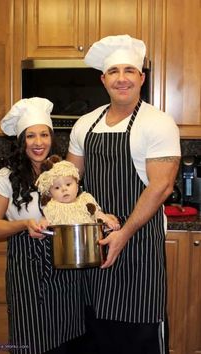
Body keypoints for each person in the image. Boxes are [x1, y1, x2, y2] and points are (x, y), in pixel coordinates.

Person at [67, 34, 181, 354]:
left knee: (139, 335)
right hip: (95, 244)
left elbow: (160, 187)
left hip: (139, 247)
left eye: (129, 70)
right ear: (103, 79)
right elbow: (69, 180)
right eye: (114, 71)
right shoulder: (85, 125)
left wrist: (124, 233)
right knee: (96, 331)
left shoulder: (157, 123)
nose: (121, 78)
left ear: (141, 78)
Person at [0, 97, 85, 354]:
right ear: (21, 141)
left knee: (68, 339)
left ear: (51, 137)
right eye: (30, 136)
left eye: (44, 135)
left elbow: (82, 205)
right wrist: (24, 223)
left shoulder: (65, 171)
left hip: (66, 269)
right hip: (27, 270)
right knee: (32, 340)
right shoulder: (6, 177)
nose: (38, 143)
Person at [35, 155, 120, 229]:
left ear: (77, 185)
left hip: (88, 241)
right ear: (50, 193)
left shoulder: (85, 201)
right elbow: (45, 220)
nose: (64, 189)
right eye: (57, 188)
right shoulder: (52, 207)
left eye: (68, 184)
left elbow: (98, 214)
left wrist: (109, 221)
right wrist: (42, 225)